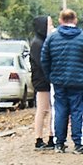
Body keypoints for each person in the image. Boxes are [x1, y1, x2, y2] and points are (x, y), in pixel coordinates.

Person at [42, 8, 83, 154]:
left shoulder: (52, 38)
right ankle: (79, 143)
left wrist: (50, 76)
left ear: (60, 21)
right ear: (75, 20)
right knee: (77, 111)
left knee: (59, 111)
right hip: (79, 81)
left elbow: (44, 59)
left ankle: (59, 143)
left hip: (58, 81)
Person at [28, 15, 55, 150]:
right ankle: (39, 138)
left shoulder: (44, 41)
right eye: (49, 24)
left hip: (46, 80)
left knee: (50, 109)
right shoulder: (37, 43)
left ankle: (51, 136)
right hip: (42, 81)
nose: (51, 27)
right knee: (43, 109)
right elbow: (42, 63)